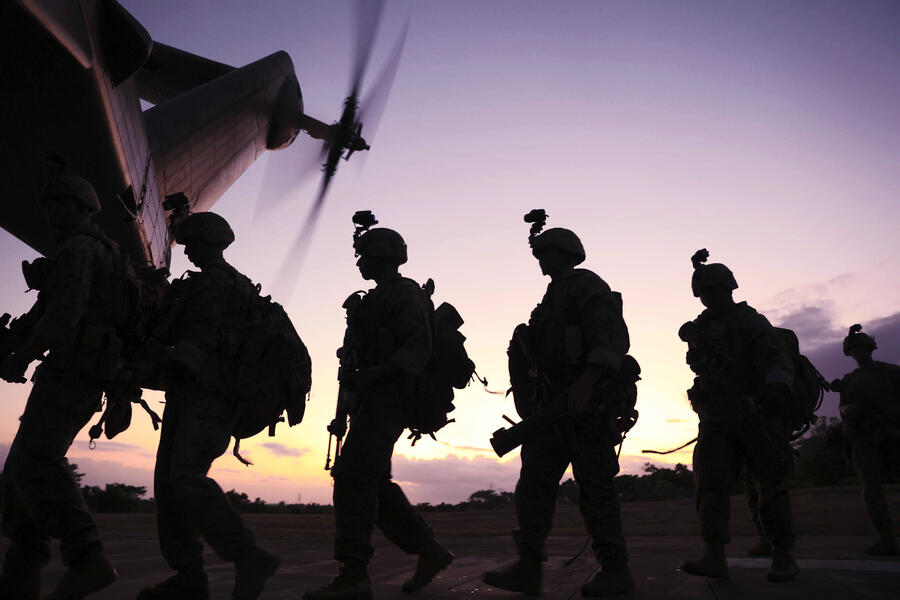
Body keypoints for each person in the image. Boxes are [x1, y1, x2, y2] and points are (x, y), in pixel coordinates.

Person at [483, 212, 635, 597]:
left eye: (546, 252)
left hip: (586, 408)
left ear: (563, 252)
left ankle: (615, 569)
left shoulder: (587, 285)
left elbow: (612, 339)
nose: (540, 260)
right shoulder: (550, 299)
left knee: (595, 488)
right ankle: (528, 566)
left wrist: (587, 382)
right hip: (551, 411)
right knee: (533, 485)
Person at [304, 216, 453, 600]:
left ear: (381, 257)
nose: (358, 264)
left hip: (392, 397)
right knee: (371, 481)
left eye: (363, 256)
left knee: (353, 477)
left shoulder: (405, 294)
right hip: (371, 400)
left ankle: (354, 576)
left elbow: (416, 351)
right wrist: (347, 407)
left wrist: (371, 377)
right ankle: (428, 551)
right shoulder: (374, 299)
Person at [137, 212, 279, 600]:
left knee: (184, 477)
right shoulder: (219, 283)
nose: (187, 253)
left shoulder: (216, 284)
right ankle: (188, 577)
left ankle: (248, 556)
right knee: (169, 486)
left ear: (206, 242)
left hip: (210, 397)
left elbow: (198, 346)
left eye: (191, 245)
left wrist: (148, 362)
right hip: (192, 396)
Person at [0, 170, 119, 599]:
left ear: (84, 208)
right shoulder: (92, 251)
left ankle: (88, 557)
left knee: (37, 460)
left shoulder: (79, 249)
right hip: (83, 371)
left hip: (72, 371)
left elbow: (62, 318)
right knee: (20, 475)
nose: (51, 214)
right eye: (48, 206)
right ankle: (21, 573)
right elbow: (50, 310)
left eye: (60, 204)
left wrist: (23, 355)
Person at [679, 248, 797, 582]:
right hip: (717, 417)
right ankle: (714, 555)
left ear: (729, 289)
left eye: (715, 291)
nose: (709, 298)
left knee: (770, 484)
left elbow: (776, 359)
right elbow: (700, 367)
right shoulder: (700, 329)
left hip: (756, 411)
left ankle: (783, 555)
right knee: (710, 483)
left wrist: (775, 391)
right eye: (703, 293)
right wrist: (701, 390)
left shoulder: (751, 322)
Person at [831, 324, 900, 556]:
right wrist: (848, 410)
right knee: (870, 489)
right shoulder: (849, 380)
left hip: (891, 432)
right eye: (854, 349)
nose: (859, 352)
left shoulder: (891, 372)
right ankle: (885, 538)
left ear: (870, 348)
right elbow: (841, 407)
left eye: (862, 347)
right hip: (864, 437)